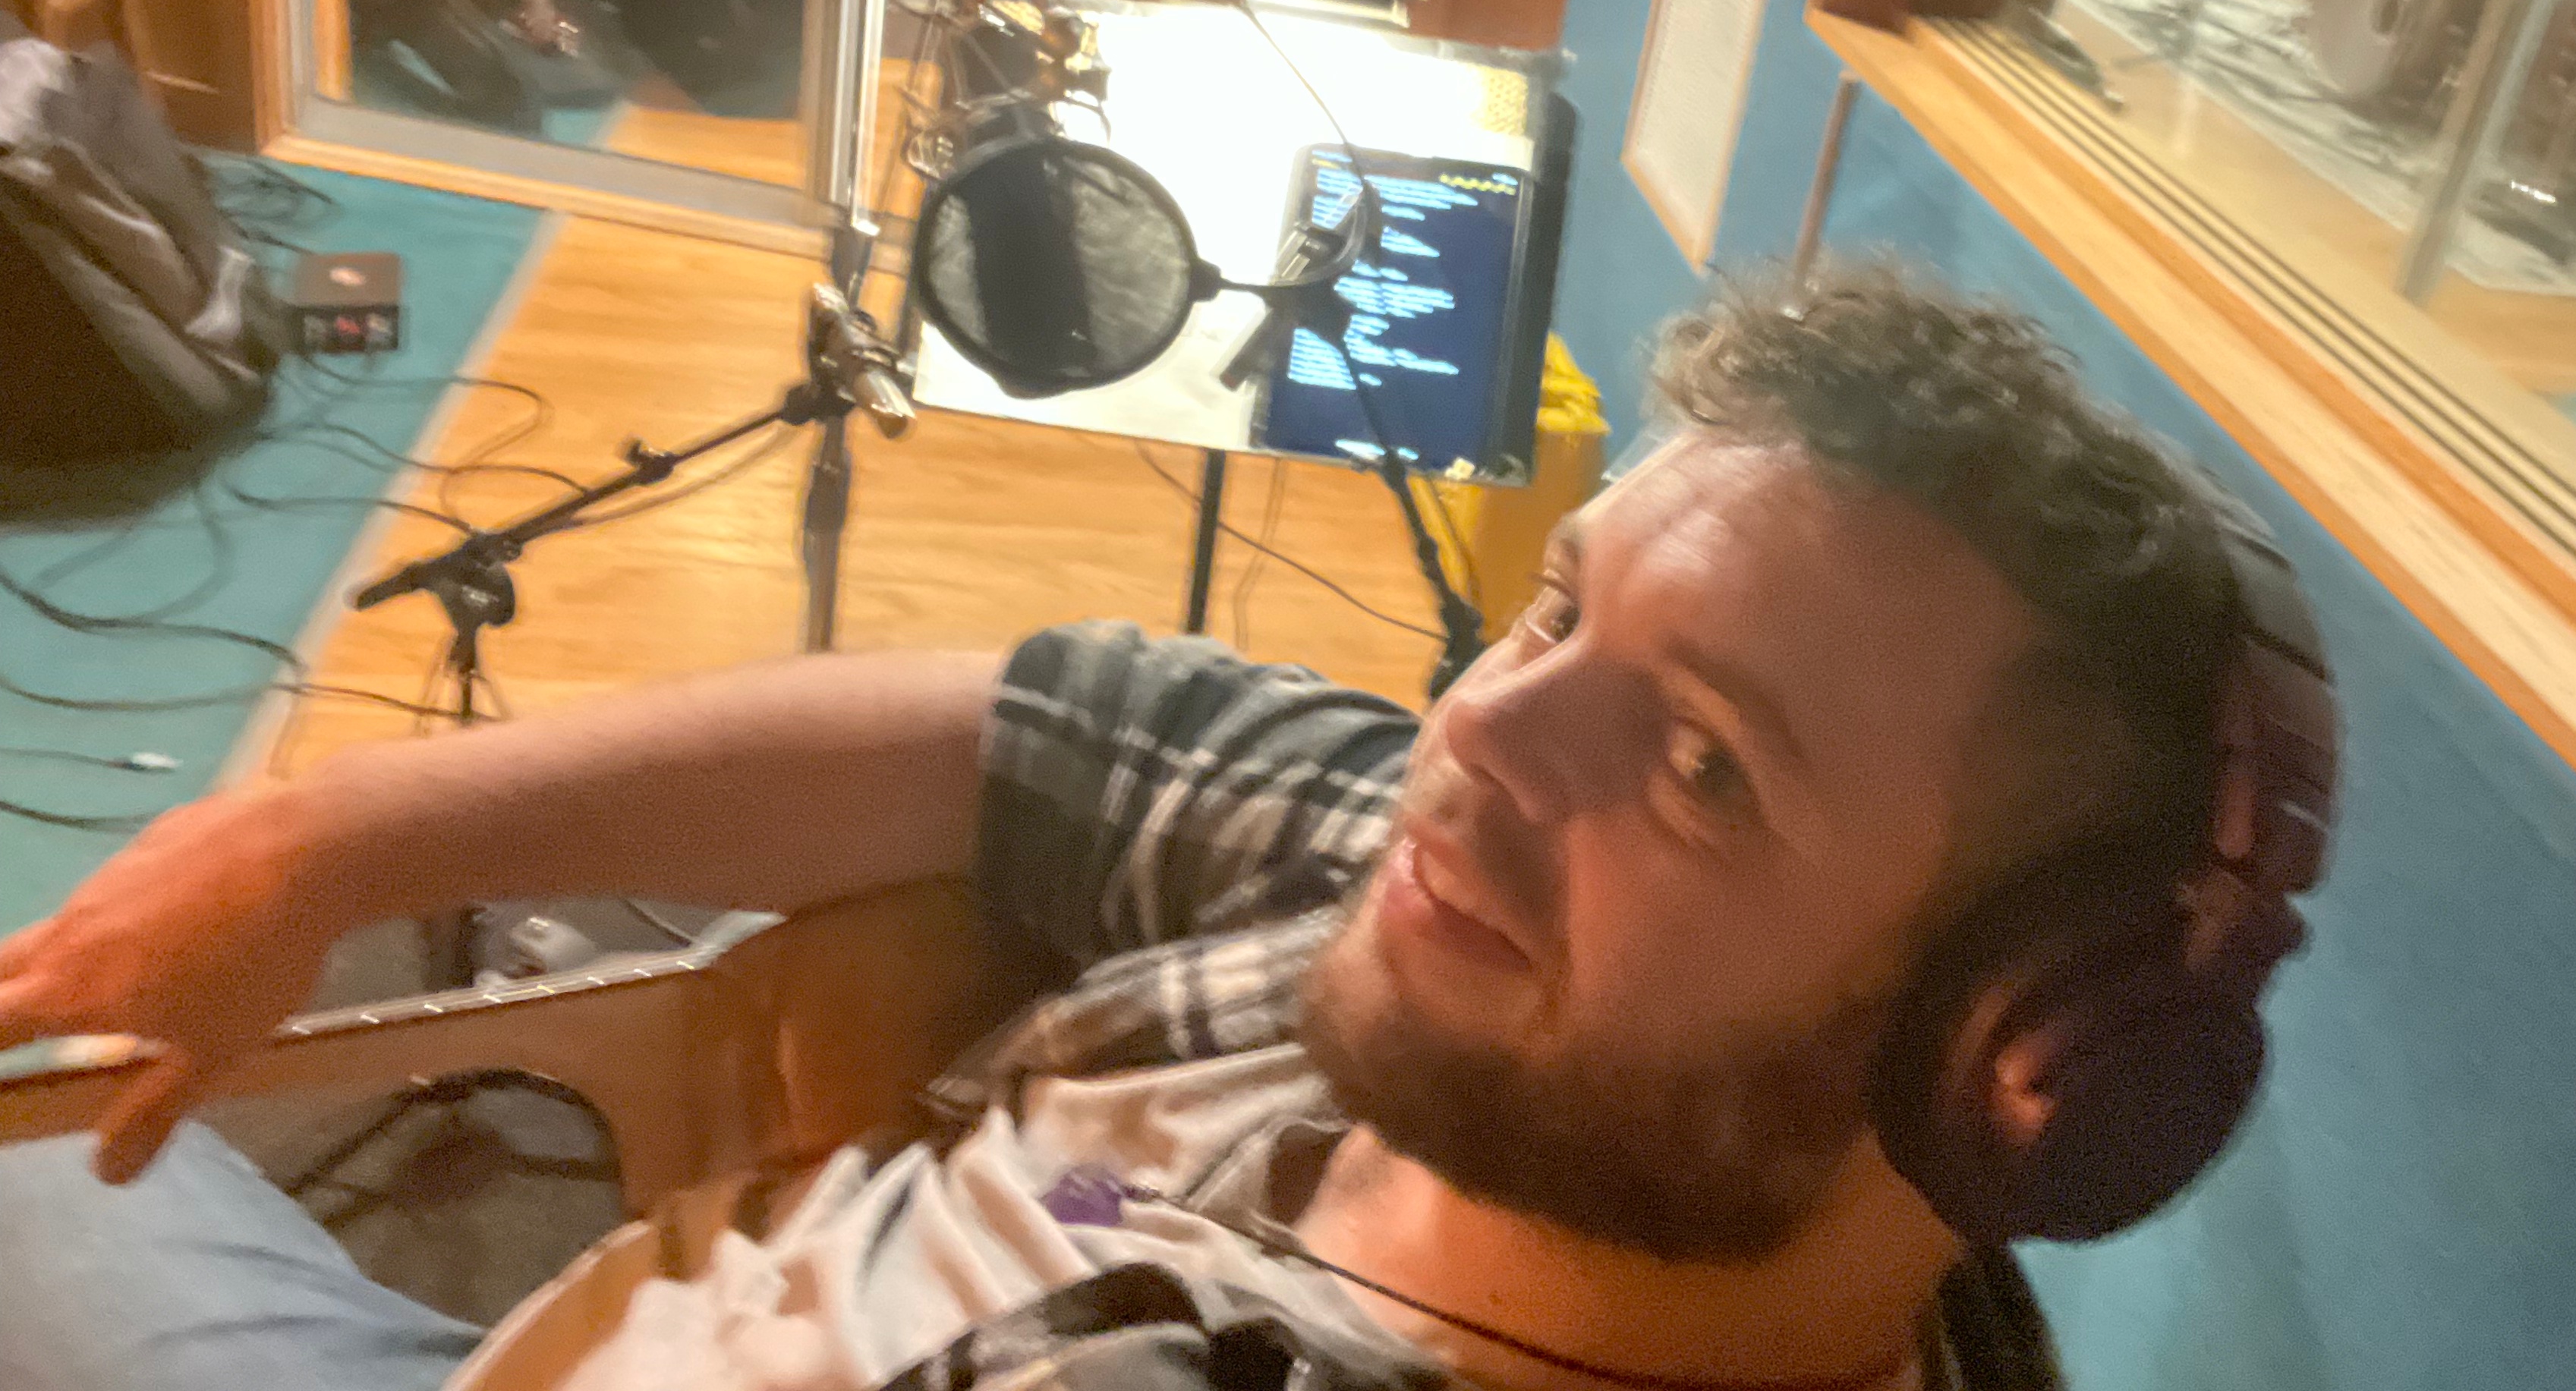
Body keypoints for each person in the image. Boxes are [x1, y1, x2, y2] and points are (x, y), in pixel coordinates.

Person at [0, 263, 2335, 1391]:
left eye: (1707, 763)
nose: (1481, 738)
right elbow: (1030, 727)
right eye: (1556, 611)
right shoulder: (1472, 908)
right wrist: (306, 848)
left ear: (2011, 1053)